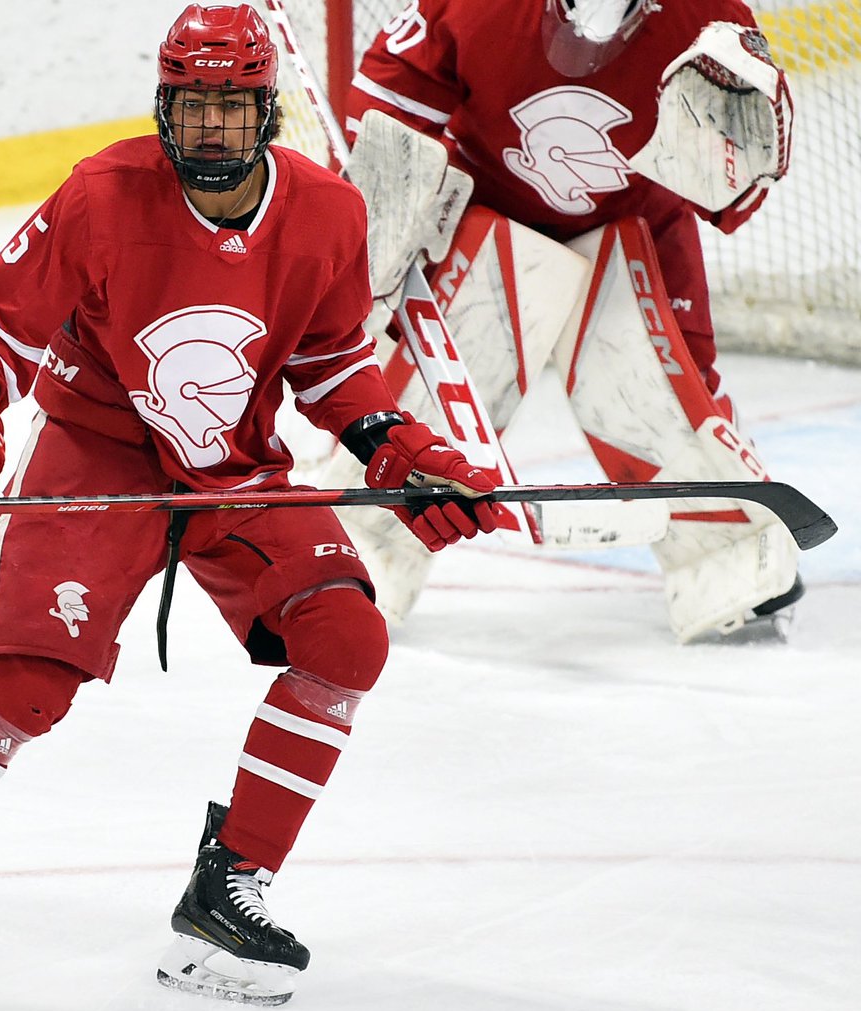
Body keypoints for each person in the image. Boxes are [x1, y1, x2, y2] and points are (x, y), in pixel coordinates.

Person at [0, 2, 498, 1011]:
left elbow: (332, 364)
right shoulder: (102, 195)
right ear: (165, 106)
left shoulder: (330, 213)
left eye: (232, 107)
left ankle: (224, 894)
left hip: (234, 467)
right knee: (22, 689)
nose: (211, 127)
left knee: (345, 638)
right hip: (96, 451)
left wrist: (399, 444)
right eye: (192, 104)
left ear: (268, 113)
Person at [339, 0, 803, 642]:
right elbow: (395, 92)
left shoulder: (705, 17)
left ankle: (726, 558)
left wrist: (745, 154)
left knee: (664, 389)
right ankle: (364, 543)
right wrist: (384, 210)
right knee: (446, 374)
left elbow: (731, 197)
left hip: (635, 222)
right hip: (486, 206)